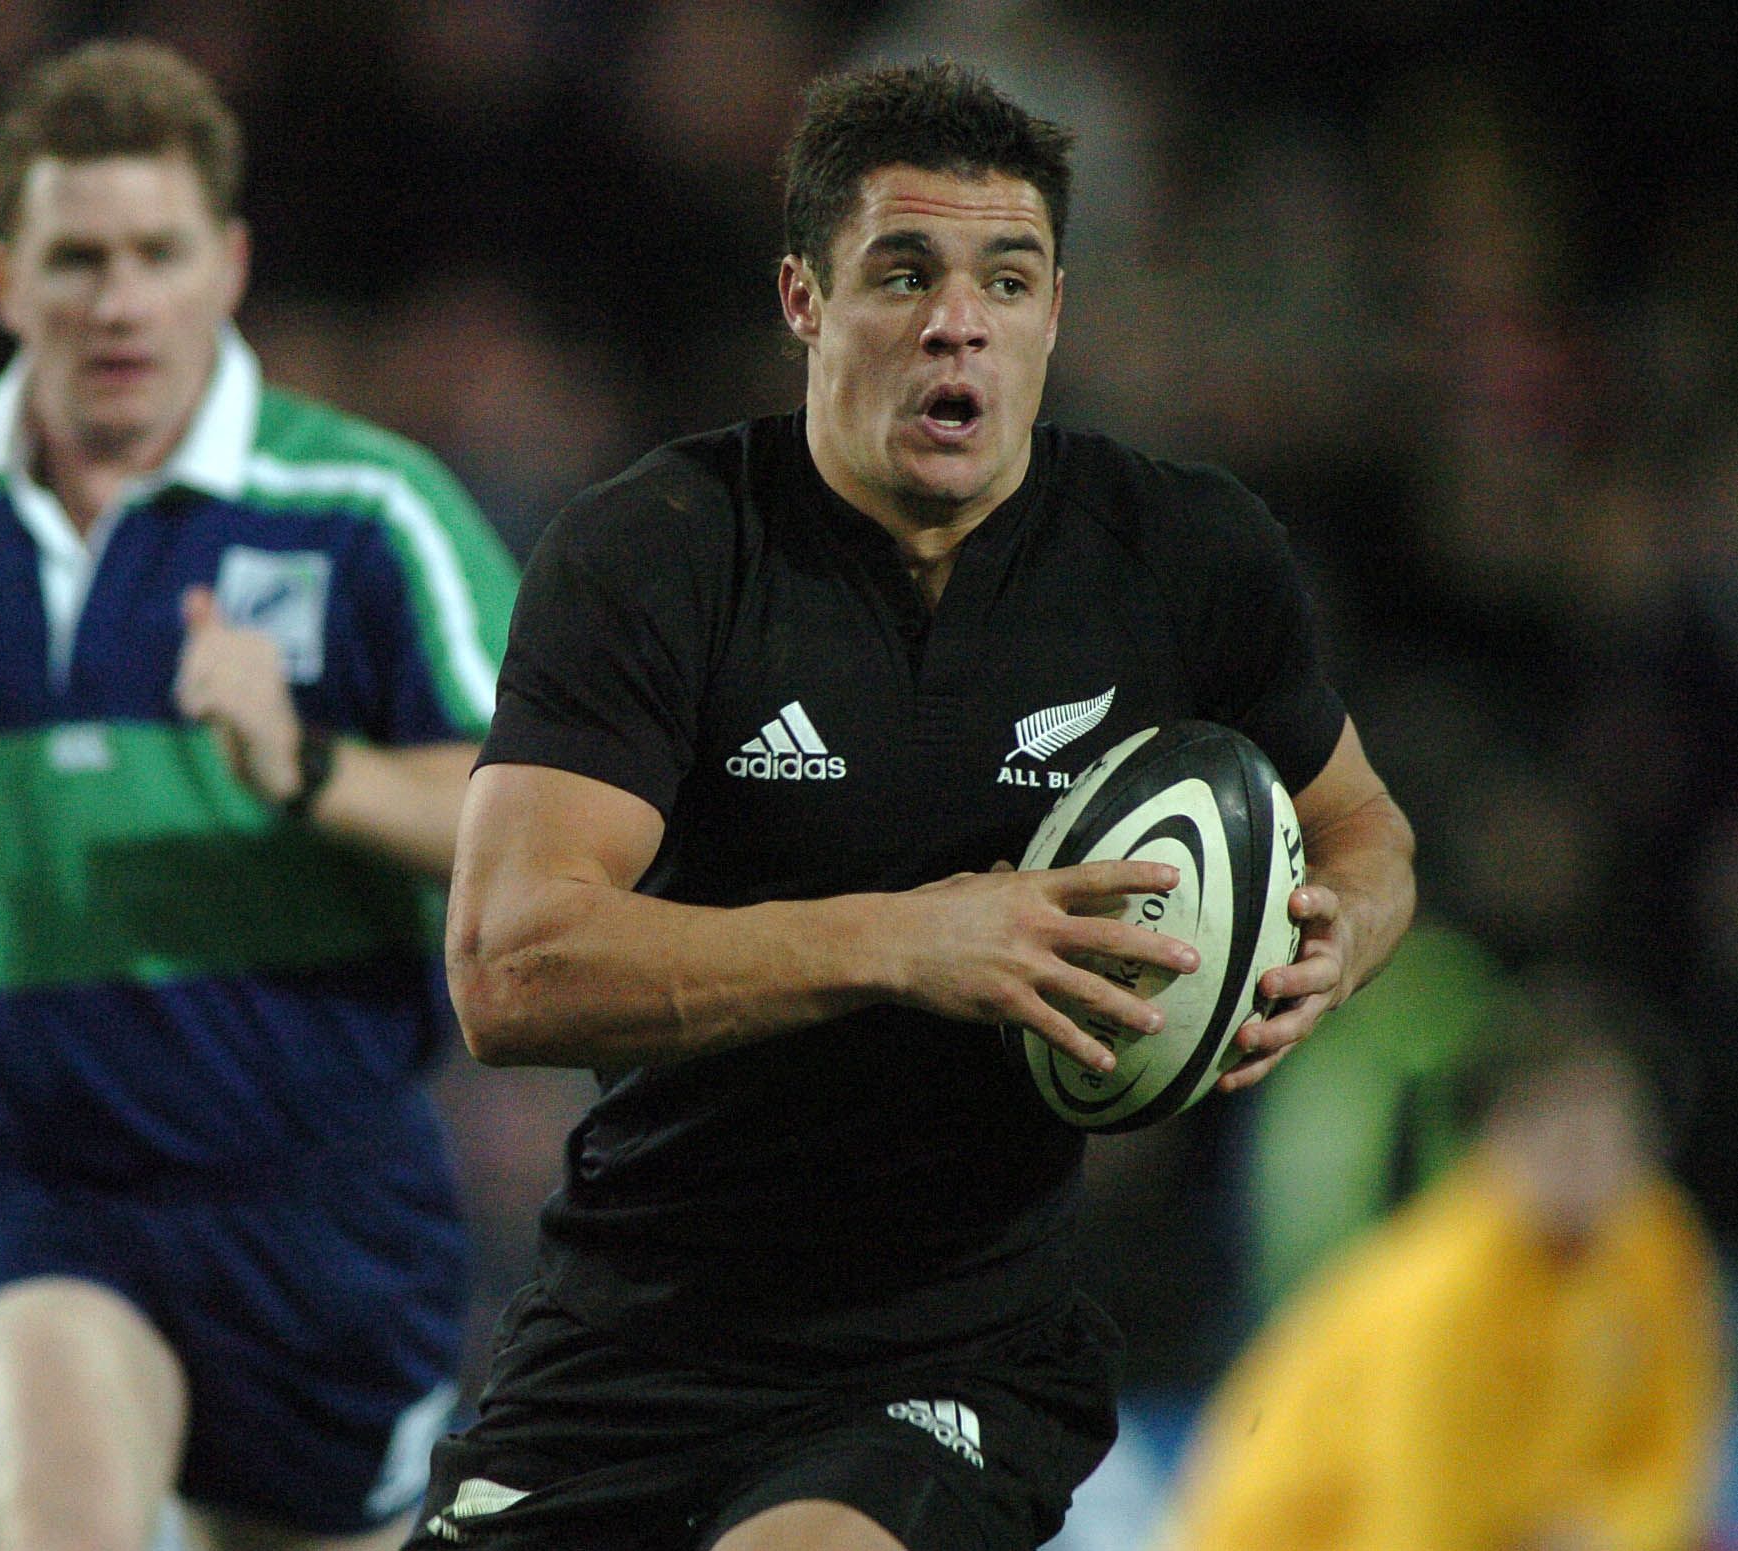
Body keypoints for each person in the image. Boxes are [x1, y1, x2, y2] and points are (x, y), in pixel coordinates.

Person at [413, 58, 1417, 1551]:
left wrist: (1336, 941)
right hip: (637, 1329)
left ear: (1054, 312)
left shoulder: (1184, 556)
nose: (958, 318)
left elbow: (1366, 834)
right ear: (802, 300)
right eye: (903, 271)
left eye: (1006, 279)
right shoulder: (659, 551)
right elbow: (508, 967)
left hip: (952, 1348)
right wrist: (904, 939)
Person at [0, 39, 518, 1551]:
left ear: (224, 266)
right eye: (73, 258)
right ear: (1, 280)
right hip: (21, 1162)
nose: (115, 298)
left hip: (313, 1186)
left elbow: (527, 821)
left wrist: (302, 765)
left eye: (155, 252)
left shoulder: (366, 510)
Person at [1155, 971, 1728, 1551]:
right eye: (1554, 1123)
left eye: (1608, 1120)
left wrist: (1613, 1534)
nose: (1584, 1148)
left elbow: (1669, 1463)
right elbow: (1412, 1530)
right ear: (1493, 1135)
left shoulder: (1656, 1243)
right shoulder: (1441, 1295)